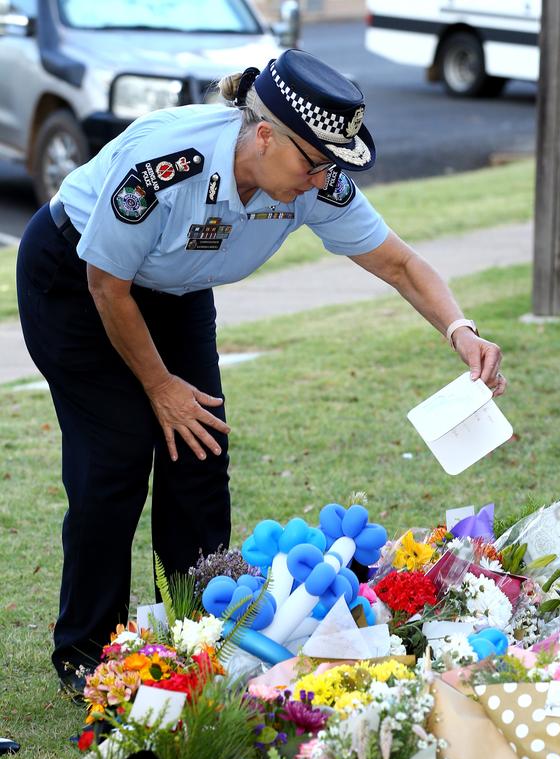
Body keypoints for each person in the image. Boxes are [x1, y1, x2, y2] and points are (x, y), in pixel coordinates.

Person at [17, 49, 506, 697]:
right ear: (266, 134)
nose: (320, 181)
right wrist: (160, 387)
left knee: (200, 450)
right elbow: (107, 284)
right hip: (77, 281)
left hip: (175, 290)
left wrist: (459, 328)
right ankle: (88, 648)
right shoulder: (168, 164)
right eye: (313, 163)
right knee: (115, 452)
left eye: (330, 166)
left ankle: (201, 628)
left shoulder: (307, 175)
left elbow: (400, 264)